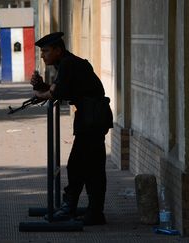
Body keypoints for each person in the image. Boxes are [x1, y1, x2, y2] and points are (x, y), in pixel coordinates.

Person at [31, 32, 112, 226]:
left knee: (78, 164)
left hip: (92, 118)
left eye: (46, 51)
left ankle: (69, 208)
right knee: (93, 168)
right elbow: (65, 89)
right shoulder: (67, 63)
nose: (43, 55)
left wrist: (41, 93)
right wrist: (43, 86)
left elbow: (58, 92)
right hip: (92, 117)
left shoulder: (68, 63)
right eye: (42, 51)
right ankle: (94, 213)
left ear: (58, 50)